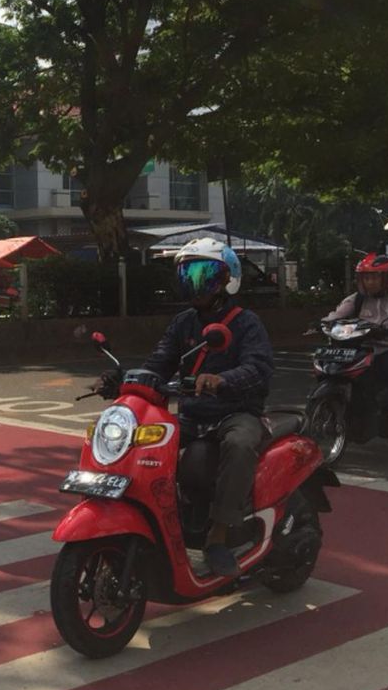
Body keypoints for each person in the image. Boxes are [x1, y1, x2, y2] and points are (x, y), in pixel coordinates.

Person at [108, 238, 273, 578]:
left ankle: (218, 534)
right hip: (193, 414)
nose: (195, 284)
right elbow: (159, 362)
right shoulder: (184, 322)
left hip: (235, 412)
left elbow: (258, 368)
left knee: (240, 444)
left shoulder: (246, 322)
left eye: (204, 275)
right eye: (188, 275)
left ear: (227, 279)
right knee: (142, 439)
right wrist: (120, 379)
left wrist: (221, 379)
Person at [323, 253, 388, 432]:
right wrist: (323, 323)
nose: (370, 282)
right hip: (363, 347)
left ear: (387, 278)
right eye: (366, 278)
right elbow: (337, 314)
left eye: (374, 277)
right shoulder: (357, 298)